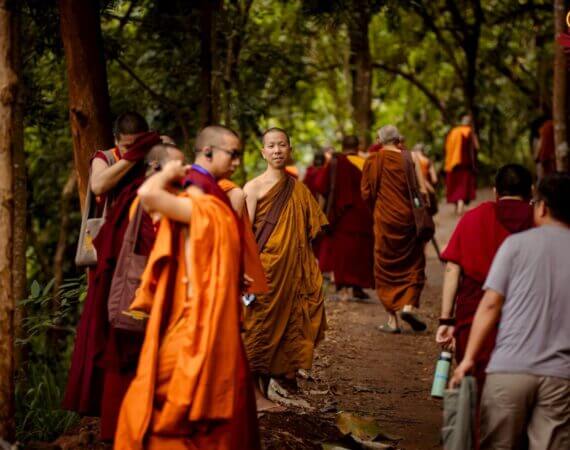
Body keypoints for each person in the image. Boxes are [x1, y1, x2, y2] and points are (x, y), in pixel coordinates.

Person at [114, 126, 260, 449]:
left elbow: (208, 250)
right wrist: (167, 172)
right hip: (192, 320)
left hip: (215, 317)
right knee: (173, 403)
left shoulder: (212, 197)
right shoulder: (195, 196)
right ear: (207, 152)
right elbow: (148, 195)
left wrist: (233, 274)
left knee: (224, 405)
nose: (237, 161)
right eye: (232, 154)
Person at [63, 112, 174, 441]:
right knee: (110, 332)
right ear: (116, 141)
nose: (130, 150)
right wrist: (134, 155)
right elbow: (99, 185)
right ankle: (109, 411)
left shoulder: (156, 151)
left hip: (148, 255)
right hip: (112, 261)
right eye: (126, 145)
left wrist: (157, 151)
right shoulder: (106, 158)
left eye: (136, 145)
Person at [451, 173, 570, 450]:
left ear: (542, 207)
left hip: (509, 368)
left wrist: (468, 358)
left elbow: (491, 304)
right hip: (560, 375)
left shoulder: (517, 245)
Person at [243, 127, 328, 411]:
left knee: (282, 332)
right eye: (271, 146)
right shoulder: (252, 188)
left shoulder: (299, 189)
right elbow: (246, 235)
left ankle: (266, 391)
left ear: (290, 149)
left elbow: (311, 231)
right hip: (263, 271)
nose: (277, 150)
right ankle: (254, 395)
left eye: (282, 145)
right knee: (257, 328)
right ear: (263, 152)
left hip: (291, 273)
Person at [436, 164, 534, 395]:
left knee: (478, 393)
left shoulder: (474, 218)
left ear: (495, 191)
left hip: (475, 322)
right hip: (526, 322)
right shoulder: (541, 222)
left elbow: (452, 268)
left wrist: (446, 319)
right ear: (531, 191)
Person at [361, 125, 429, 333]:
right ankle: (408, 307)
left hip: (384, 220)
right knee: (414, 263)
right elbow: (423, 191)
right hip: (409, 220)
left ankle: (393, 320)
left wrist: (378, 208)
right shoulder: (411, 157)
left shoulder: (372, 160)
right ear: (398, 138)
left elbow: (366, 193)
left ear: (379, 140)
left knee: (384, 267)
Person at [313, 135, 374, 300]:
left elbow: (322, 189)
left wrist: (320, 213)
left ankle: (344, 290)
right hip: (364, 216)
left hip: (341, 216)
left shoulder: (335, 163)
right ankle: (357, 287)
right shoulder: (366, 163)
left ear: (342, 146)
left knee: (342, 253)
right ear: (358, 147)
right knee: (361, 251)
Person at [444, 115, 479, 215]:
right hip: (465, 163)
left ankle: (457, 207)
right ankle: (460, 206)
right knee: (463, 185)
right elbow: (476, 146)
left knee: (455, 184)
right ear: (469, 124)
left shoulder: (453, 132)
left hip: (452, 164)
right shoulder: (469, 131)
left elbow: (447, 148)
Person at [413, 143, 438, 215]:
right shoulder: (427, 161)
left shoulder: (411, 160)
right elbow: (434, 179)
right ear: (423, 151)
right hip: (427, 188)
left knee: (418, 207)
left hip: (415, 190)